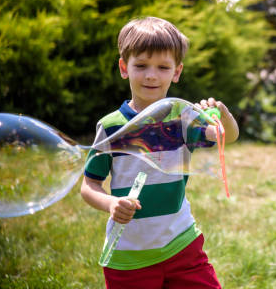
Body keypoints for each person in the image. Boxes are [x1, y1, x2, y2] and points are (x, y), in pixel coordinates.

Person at [81, 16, 239, 289]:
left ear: (176, 72)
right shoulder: (110, 127)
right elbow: (89, 185)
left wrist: (222, 116)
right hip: (129, 254)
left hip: (182, 243)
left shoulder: (184, 118)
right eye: (141, 65)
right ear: (124, 67)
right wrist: (110, 204)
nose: (151, 75)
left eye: (163, 67)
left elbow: (227, 136)